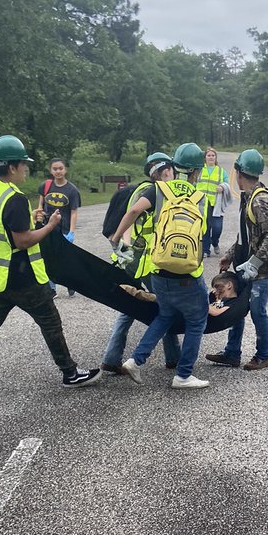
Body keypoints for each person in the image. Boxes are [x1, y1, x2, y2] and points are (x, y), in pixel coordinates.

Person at [0, 135, 100, 392]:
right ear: (11, 167)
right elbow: (22, 240)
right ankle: (70, 373)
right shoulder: (15, 198)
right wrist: (51, 225)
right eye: (23, 164)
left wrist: (28, 217)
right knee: (50, 321)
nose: (26, 169)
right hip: (20, 277)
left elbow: (5, 225)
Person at [121, 142, 211, 389]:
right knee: (197, 320)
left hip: (159, 270)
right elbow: (202, 233)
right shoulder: (200, 197)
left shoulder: (158, 189)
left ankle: (136, 360)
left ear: (174, 166)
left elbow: (133, 211)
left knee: (165, 314)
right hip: (188, 274)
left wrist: (117, 237)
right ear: (196, 171)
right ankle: (183, 375)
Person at [102, 153, 181, 375]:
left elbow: (130, 218)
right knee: (166, 306)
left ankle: (111, 358)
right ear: (166, 171)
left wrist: (122, 247)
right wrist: (119, 240)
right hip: (145, 261)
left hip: (131, 259)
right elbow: (132, 214)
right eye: (172, 171)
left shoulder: (141, 189)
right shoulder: (153, 191)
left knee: (129, 308)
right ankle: (174, 357)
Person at [206, 148, 268, 372]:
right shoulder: (248, 197)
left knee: (257, 310)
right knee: (237, 309)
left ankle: (264, 355)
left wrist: (255, 263)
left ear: (239, 173)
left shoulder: (260, 200)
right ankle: (232, 353)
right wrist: (229, 255)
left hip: (264, 270)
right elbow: (246, 235)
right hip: (247, 266)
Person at [35, 157, 81, 296]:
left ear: (65, 169)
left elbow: (74, 212)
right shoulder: (45, 186)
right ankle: (52, 288)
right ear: (51, 170)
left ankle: (70, 283)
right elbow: (41, 204)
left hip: (64, 228)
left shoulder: (72, 190)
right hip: (47, 228)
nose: (58, 171)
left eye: (60, 168)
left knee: (64, 259)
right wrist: (39, 216)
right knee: (48, 258)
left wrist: (71, 231)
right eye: (55, 169)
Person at [197, 147, 230, 257]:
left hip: (216, 204)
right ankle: (206, 250)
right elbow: (194, 183)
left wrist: (223, 187)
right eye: (209, 155)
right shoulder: (200, 170)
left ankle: (215, 242)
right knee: (205, 227)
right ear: (205, 158)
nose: (211, 157)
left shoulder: (221, 171)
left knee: (217, 228)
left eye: (213, 155)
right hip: (202, 203)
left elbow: (227, 184)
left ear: (216, 158)